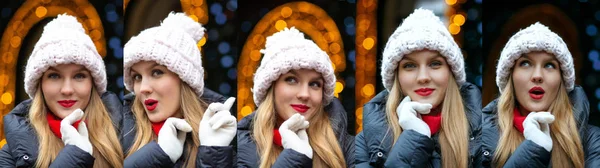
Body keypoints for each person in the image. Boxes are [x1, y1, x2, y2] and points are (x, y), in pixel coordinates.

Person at [355, 8, 482, 168]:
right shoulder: (366, 143)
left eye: (435, 64)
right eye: (410, 65)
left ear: (450, 72)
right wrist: (415, 137)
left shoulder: (483, 135)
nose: (423, 77)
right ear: (397, 76)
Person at [0, 14, 124, 167]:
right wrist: (74, 156)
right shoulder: (11, 154)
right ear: (40, 85)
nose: (67, 90)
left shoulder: (126, 134)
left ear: (93, 84)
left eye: (79, 76)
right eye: (54, 76)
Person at [121, 12, 237, 167]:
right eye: (137, 77)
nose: (143, 89)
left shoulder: (225, 134)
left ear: (184, 79)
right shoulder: (116, 129)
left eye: (157, 72)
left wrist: (214, 154)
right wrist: (158, 155)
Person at [481, 22, 600, 168]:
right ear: (510, 77)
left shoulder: (593, 141)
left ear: (561, 80)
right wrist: (533, 149)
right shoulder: (478, 139)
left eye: (549, 65)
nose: (537, 76)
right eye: (525, 63)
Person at [236, 27, 354, 168]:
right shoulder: (237, 149)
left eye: (315, 84)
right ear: (270, 88)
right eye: (291, 80)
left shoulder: (350, 150)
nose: (304, 94)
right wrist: (294, 158)